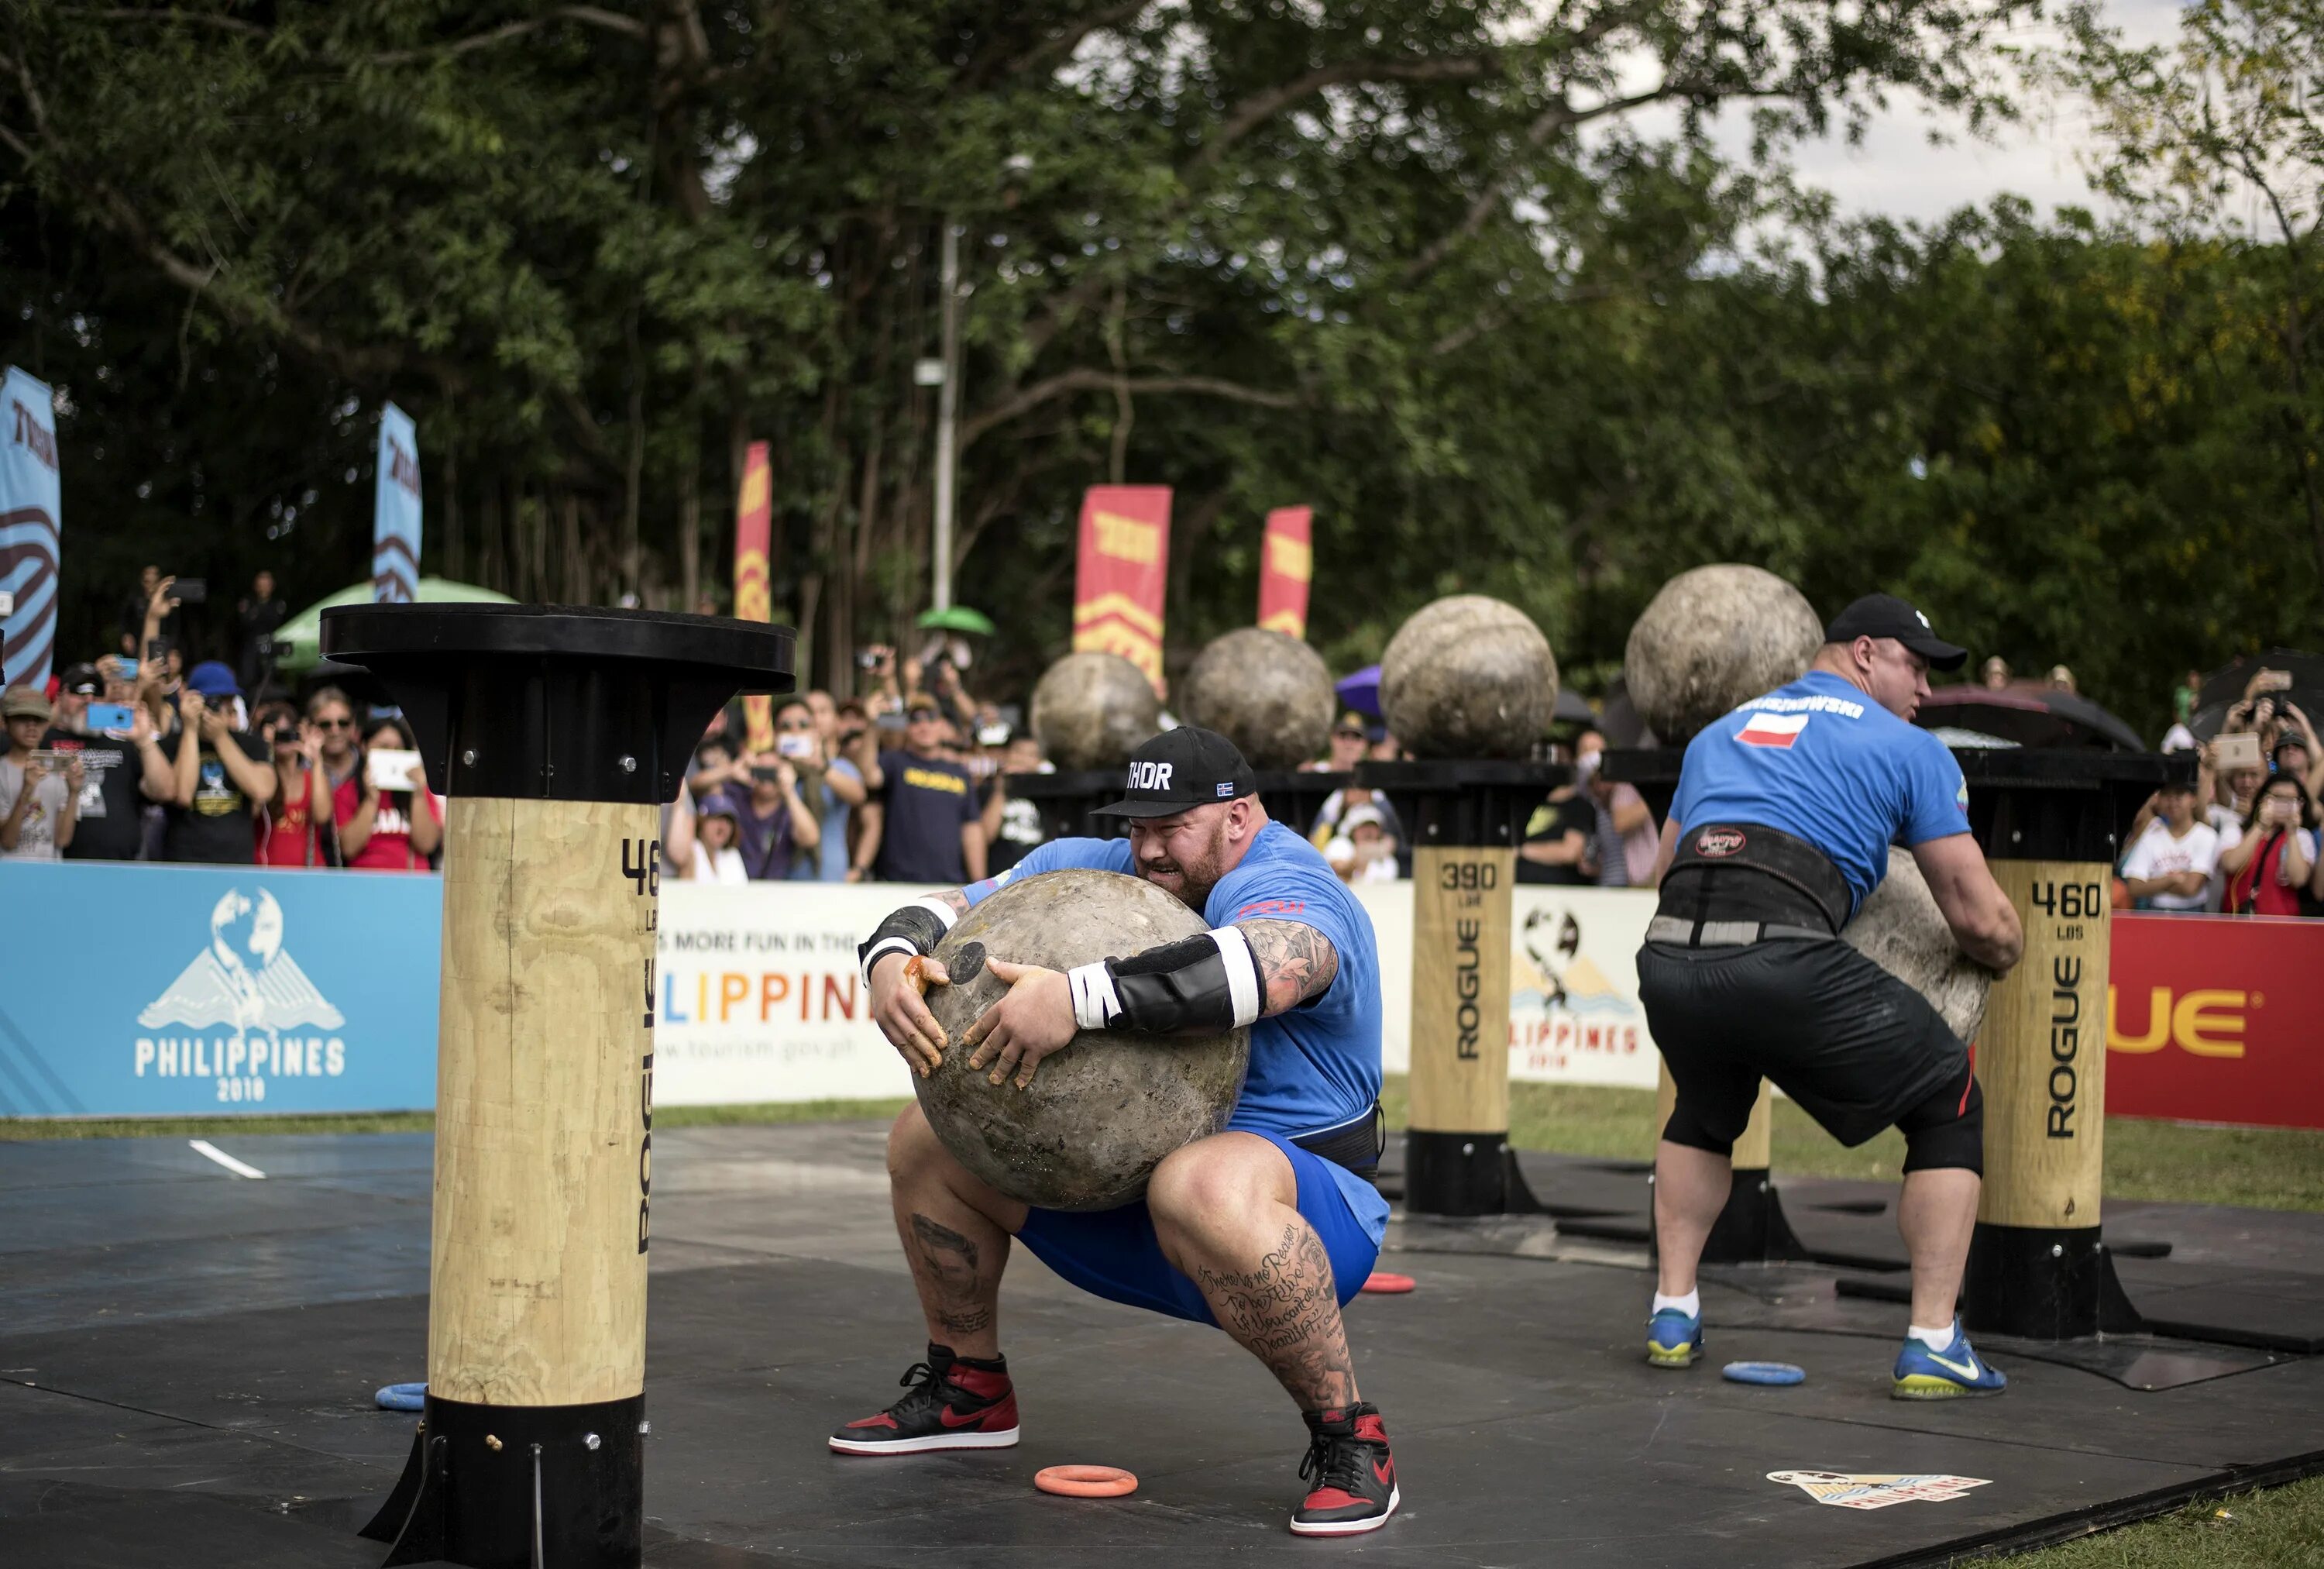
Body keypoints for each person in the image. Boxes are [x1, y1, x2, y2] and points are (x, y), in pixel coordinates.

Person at [843, 728, 1401, 1535]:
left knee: (1199, 1180)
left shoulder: (1290, 881)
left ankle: (1354, 1439)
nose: (1146, 848)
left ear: (1238, 818)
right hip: (1129, 1202)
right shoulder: (1100, 864)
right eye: (1136, 825)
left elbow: (1256, 972)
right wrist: (892, 955)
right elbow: (950, 906)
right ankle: (970, 1387)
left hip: (1300, 1210)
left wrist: (1075, 998)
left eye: (1169, 826)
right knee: (924, 1139)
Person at [1636, 594, 2023, 1399]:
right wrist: (2014, 948)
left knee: (1705, 1112)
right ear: (1866, 653)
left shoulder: (1717, 734)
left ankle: (1673, 1311)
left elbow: (1663, 872)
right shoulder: (1911, 750)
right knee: (1949, 1101)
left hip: (1669, 959)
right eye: (1917, 667)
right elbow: (1979, 919)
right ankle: (1934, 1338)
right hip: (1780, 956)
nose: (1926, 691)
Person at [853, 695, 985, 883]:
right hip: (897, 882)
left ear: (941, 725)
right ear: (907, 728)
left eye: (931, 718)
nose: (924, 726)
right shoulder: (894, 762)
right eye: (915, 721)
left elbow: (972, 829)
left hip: (949, 884)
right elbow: (869, 776)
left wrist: (979, 883)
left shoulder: (959, 773)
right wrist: (873, 725)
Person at [156, 663, 276, 863]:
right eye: (212, 700)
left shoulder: (250, 744)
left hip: (236, 861)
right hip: (185, 860)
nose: (218, 707)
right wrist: (191, 730)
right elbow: (182, 795)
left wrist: (221, 738)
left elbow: (262, 790)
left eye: (226, 700)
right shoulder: (171, 743)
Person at [48, 656, 152, 862]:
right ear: (60, 698)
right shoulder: (44, 738)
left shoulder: (124, 740)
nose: (89, 700)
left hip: (118, 864)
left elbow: (164, 791)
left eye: (96, 693)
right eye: (80, 692)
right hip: (59, 862)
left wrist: (145, 740)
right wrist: (60, 710)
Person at [335, 715, 443, 872]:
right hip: (364, 882)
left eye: (398, 748)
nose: (391, 754)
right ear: (365, 747)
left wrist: (418, 795)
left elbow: (426, 845)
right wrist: (371, 800)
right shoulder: (346, 792)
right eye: (383, 747)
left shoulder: (418, 790)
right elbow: (349, 848)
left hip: (412, 882)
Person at [1, 687, 83, 859]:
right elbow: (7, 841)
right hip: (9, 873)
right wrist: (26, 792)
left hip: (48, 873)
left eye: (38, 719)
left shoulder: (60, 772)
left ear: (47, 724)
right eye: (22, 718)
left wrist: (75, 792)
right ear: (6, 722)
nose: (31, 726)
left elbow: (62, 840)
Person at [2219, 776, 2315, 917]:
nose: (2283, 804)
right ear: (2262, 799)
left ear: (2300, 804)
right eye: (2277, 797)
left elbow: (2298, 879)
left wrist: (2292, 833)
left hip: (2282, 924)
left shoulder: (2302, 836)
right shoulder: (2236, 829)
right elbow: (2231, 865)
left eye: (2290, 800)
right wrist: (2260, 826)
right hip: (2238, 917)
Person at [2118, 782, 2219, 912]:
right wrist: (2172, 879)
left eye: (2179, 795)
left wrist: (2152, 883)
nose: (2172, 801)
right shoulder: (2151, 835)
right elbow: (2134, 887)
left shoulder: (2207, 835)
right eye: (2167, 795)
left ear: (2193, 799)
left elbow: (2191, 888)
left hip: (2192, 913)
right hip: (2155, 911)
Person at [254, 703, 334, 866]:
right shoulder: (260, 777)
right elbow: (254, 808)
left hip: (308, 873)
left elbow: (322, 815)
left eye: (288, 732)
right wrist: (264, 749)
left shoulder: (313, 777)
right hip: (266, 872)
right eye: (277, 733)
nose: (283, 738)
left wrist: (316, 760)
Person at [731, 743, 821, 880]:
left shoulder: (788, 809)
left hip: (773, 891)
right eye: (761, 770)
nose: (766, 778)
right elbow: (697, 784)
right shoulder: (739, 797)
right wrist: (732, 770)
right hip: (736, 887)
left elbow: (811, 838)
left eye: (772, 772)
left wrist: (789, 791)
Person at [978, 731, 1051, 876]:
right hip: (999, 877)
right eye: (1018, 752)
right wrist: (1001, 790)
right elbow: (985, 837)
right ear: (1005, 754)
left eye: (1031, 755)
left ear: (1040, 761)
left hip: (1037, 877)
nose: (1023, 760)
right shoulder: (988, 789)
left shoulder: (1048, 795)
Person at [1517, 775, 1596, 884]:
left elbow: (1570, 853)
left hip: (1557, 892)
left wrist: (1521, 850)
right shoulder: (1523, 803)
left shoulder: (1580, 807)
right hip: (1517, 888)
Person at [666, 788, 749, 884]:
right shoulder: (691, 851)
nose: (722, 827)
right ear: (702, 822)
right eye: (716, 819)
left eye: (728, 821)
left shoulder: (732, 855)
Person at [237, 569, 288, 697]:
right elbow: (246, 622)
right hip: (251, 647)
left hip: (272, 646)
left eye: (267, 583)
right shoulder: (248, 603)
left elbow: (276, 620)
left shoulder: (278, 604)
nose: (264, 587)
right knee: (249, 678)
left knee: (271, 679)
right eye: (261, 583)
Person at [1324, 802, 1398, 884]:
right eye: (1363, 827)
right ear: (1352, 830)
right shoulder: (1340, 844)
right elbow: (1337, 870)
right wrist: (1358, 858)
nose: (1369, 832)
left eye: (1373, 827)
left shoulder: (1387, 861)